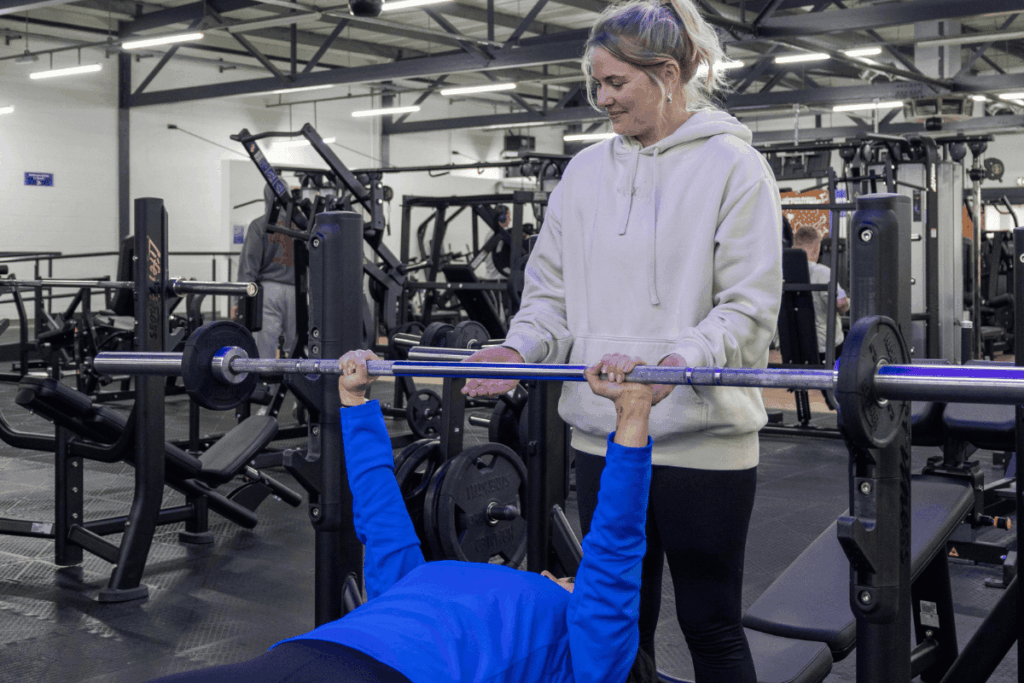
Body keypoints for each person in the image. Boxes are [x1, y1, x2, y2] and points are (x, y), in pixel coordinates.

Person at [461, 0, 783, 680]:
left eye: (616, 84)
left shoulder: (735, 167)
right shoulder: (583, 175)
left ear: (667, 74)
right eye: (595, 84)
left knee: (710, 622)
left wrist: (680, 360)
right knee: (613, 620)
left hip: (705, 441)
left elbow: (748, 306)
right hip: (603, 437)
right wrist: (518, 348)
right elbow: (549, 295)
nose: (601, 99)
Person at [146, 350, 660, 683]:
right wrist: (356, 403)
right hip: (295, 657)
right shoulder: (414, 580)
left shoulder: (588, 654)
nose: (556, 573)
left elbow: (614, 554)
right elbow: (381, 515)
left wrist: (632, 417)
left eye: (570, 578)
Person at [233, 183, 297, 361]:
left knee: (265, 349)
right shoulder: (300, 226)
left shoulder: (259, 225)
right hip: (297, 292)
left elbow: (248, 267)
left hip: (268, 293)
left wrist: (238, 299)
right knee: (297, 347)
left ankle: (268, 386)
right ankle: (299, 386)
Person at [791, 226, 849, 362]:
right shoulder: (824, 273)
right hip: (825, 350)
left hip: (794, 348)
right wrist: (847, 301)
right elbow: (840, 304)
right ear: (817, 249)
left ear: (795, 246)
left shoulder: (783, 272)